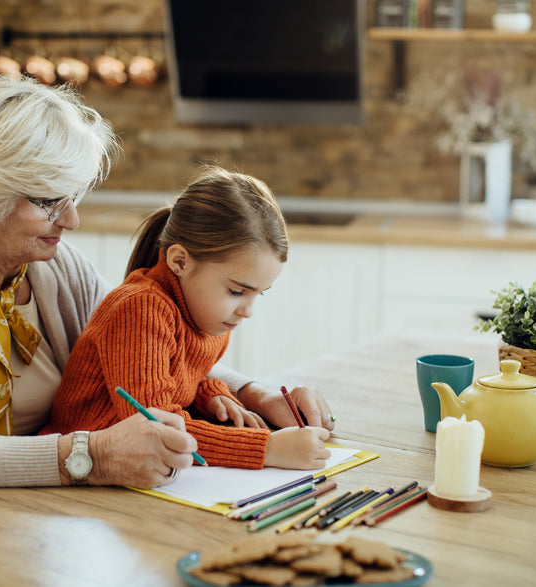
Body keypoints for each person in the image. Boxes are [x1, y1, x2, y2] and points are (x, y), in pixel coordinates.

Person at [0, 75, 333, 532]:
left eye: (74, 196)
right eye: (47, 201)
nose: (72, 220)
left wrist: (256, 394)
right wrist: (88, 456)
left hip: (25, 522)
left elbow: (144, 350)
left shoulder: (58, 269)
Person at [40, 167, 333, 470]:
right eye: (236, 291)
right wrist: (267, 448)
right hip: (81, 472)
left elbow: (178, 380)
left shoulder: (208, 318)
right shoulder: (140, 309)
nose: (247, 310)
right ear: (179, 261)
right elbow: (157, 428)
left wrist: (213, 395)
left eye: (260, 293)